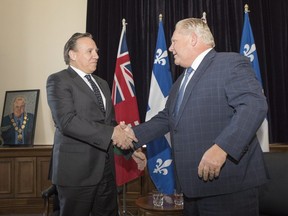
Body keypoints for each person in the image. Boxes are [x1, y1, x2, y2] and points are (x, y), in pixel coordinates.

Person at [118, 18, 269, 216]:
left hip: (227, 188)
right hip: (192, 190)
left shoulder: (230, 63)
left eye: (174, 41)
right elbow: (166, 118)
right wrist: (131, 135)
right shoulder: (181, 80)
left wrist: (223, 147)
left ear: (193, 39)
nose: (170, 48)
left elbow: (254, 105)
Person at [46, 32, 145, 216]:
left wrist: (131, 150)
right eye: (90, 51)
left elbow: (111, 125)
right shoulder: (58, 80)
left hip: (106, 172)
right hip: (76, 174)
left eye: (97, 51)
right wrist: (113, 133)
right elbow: (67, 121)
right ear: (72, 55)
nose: (97, 55)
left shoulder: (102, 84)